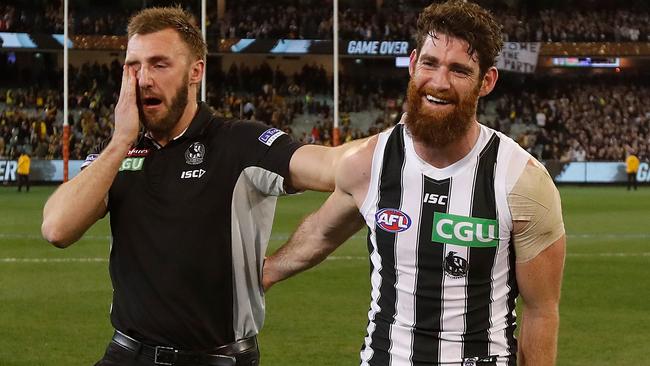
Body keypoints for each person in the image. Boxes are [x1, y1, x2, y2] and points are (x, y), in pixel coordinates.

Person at [41, 6, 357, 366]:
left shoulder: (239, 143)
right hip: (126, 354)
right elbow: (56, 229)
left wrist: (276, 266)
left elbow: (334, 167)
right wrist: (120, 140)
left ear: (196, 71)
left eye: (159, 64)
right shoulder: (118, 153)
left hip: (216, 358)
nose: (143, 78)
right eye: (133, 66)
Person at [263, 1, 566, 365]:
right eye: (430, 63)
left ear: (486, 81)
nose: (439, 82)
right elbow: (321, 234)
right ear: (412, 64)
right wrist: (264, 271)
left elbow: (541, 312)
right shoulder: (370, 162)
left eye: (459, 70)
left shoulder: (522, 180)